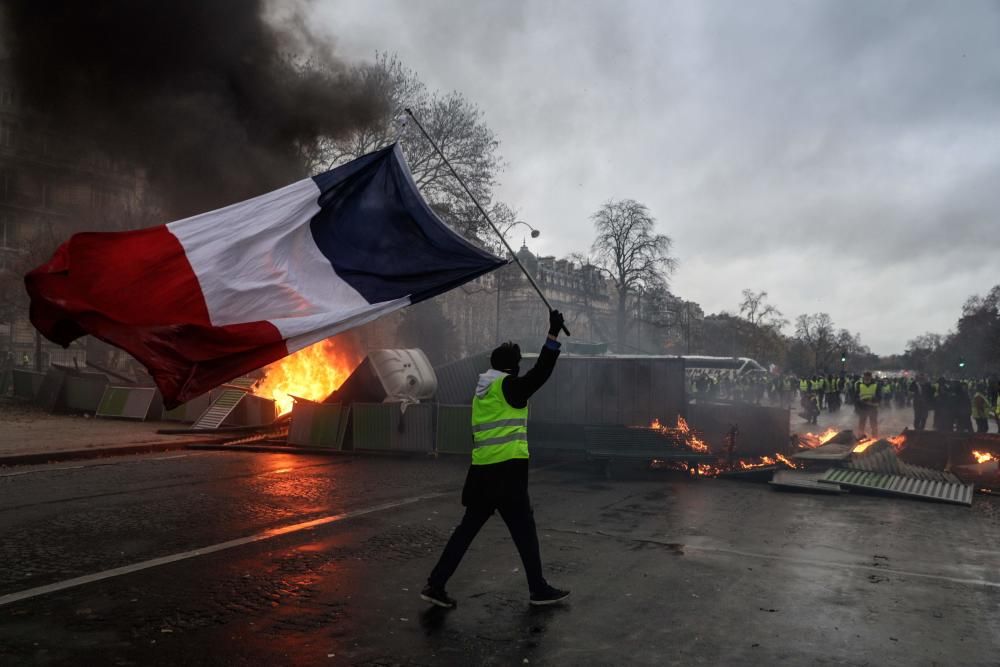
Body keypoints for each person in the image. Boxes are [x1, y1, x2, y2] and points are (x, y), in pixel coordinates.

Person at [422, 310, 570, 609]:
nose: (518, 369)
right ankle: (538, 589)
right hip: (508, 476)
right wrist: (552, 335)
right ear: (510, 368)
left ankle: (435, 584)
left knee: (466, 531)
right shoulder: (509, 388)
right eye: (516, 365)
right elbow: (540, 372)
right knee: (525, 533)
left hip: (481, 474)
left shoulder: (483, 391)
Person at [856, 371, 880, 437]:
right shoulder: (859, 385)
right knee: (862, 422)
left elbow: (879, 396)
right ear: (864, 377)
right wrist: (858, 406)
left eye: (868, 376)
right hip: (862, 406)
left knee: (873, 423)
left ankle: (875, 436)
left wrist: (874, 400)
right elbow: (856, 396)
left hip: (873, 406)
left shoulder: (876, 385)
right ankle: (860, 435)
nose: (867, 377)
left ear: (870, 377)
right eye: (866, 376)